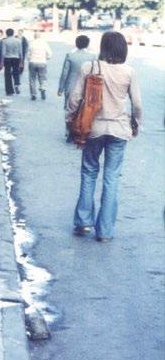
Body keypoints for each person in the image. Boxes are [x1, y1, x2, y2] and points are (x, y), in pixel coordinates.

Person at [68, 31, 142, 242]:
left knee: (89, 172)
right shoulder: (129, 72)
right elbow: (137, 104)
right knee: (112, 178)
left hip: (93, 128)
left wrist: (70, 120)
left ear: (103, 47)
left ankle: (83, 222)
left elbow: (74, 99)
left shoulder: (89, 67)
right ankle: (105, 231)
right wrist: (136, 124)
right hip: (119, 130)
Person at [58, 35, 96, 108]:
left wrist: (60, 89)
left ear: (76, 44)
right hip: (86, 87)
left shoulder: (70, 55)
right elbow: (94, 73)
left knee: (69, 110)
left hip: (71, 87)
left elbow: (64, 73)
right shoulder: (92, 57)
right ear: (87, 44)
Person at [27, 31, 52, 100]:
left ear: (34, 36)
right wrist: (46, 58)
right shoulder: (44, 43)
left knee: (32, 78)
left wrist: (30, 59)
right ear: (40, 36)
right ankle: (42, 87)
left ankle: (33, 94)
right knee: (42, 77)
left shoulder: (31, 43)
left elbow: (28, 54)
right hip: (42, 62)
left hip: (33, 62)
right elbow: (50, 54)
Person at [0, 28, 23, 95]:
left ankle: (9, 91)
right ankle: (16, 84)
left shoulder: (4, 41)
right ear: (13, 33)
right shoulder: (18, 41)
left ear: (6, 34)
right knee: (16, 72)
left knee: (7, 74)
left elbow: (3, 53)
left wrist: (2, 61)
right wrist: (21, 61)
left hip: (7, 58)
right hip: (16, 58)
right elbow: (20, 52)